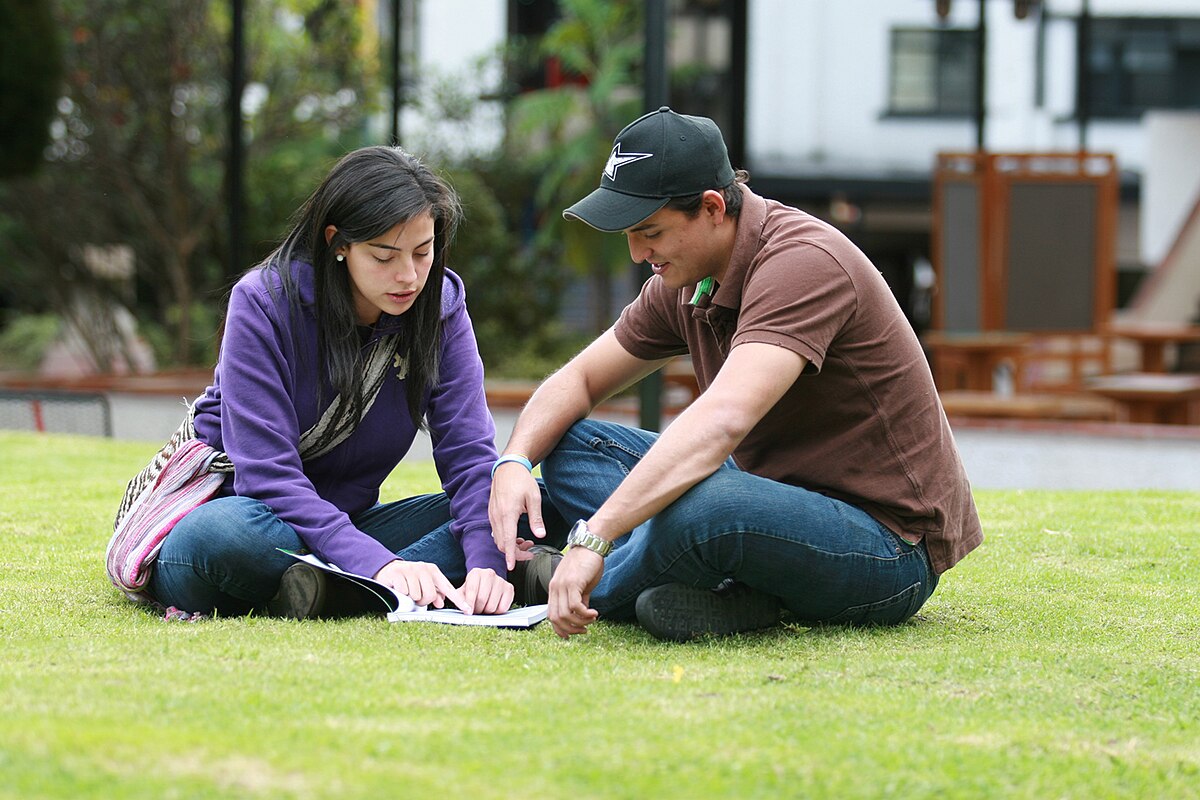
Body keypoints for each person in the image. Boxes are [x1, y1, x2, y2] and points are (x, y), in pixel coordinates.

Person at [488, 108, 983, 641]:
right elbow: (579, 381)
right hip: (767, 501)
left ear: (711, 207)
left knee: (708, 508)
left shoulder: (802, 263)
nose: (637, 254)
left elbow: (723, 421)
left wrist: (595, 540)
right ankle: (740, 592)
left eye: (649, 231)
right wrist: (514, 461)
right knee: (574, 445)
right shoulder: (684, 277)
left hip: (888, 545)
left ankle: (548, 577)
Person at [134, 145, 523, 618]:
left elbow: (468, 455)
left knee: (526, 501)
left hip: (350, 529)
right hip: (251, 519)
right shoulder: (262, 303)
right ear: (339, 243)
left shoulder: (440, 307)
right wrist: (377, 564)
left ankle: (331, 588)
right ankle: (370, 582)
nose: (409, 276)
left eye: (424, 252)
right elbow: (266, 476)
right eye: (385, 256)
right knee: (226, 535)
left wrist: (486, 563)